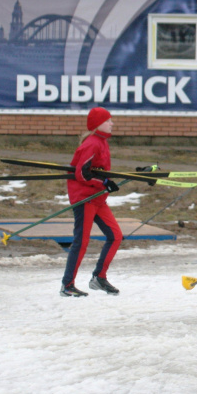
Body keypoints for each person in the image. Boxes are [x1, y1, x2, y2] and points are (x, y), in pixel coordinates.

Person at [60, 107, 123, 297]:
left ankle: (99, 278)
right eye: (109, 120)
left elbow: (96, 170)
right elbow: (81, 174)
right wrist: (103, 182)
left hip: (97, 198)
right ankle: (67, 285)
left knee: (116, 235)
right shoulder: (92, 143)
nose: (112, 123)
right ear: (99, 124)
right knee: (82, 241)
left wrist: (106, 183)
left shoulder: (102, 142)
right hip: (85, 197)